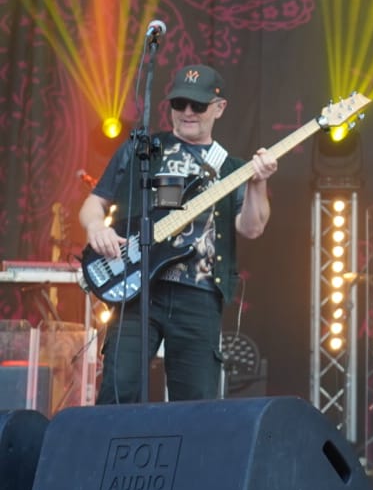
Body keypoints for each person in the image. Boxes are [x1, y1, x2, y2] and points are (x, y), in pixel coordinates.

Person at [81, 63, 276, 403]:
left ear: (219, 108)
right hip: (138, 290)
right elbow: (93, 203)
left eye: (198, 105)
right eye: (179, 103)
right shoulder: (143, 150)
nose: (187, 112)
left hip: (198, 296)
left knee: (195, 403)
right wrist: (97, 227)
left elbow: (252, 228)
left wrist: (258, 184)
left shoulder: (230, 168)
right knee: (119, 390)